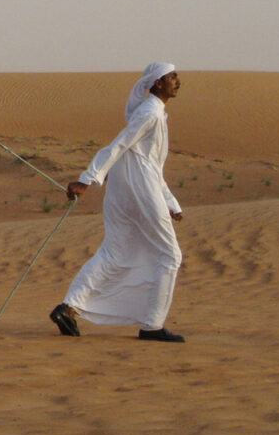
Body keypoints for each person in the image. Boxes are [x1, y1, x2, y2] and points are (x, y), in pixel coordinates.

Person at [50, 63, 186, 342]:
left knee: (114, 251)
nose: (177, 81)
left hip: (129, 188)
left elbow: (150, 164)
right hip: (139, 189)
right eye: (172, 77)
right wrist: (87, 179)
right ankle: (152, 326)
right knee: (170, 256)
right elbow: (119, 145)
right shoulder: (149, 112)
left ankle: (69, 308)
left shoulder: (153, 112)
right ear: (157, 83)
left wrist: (171, 202)